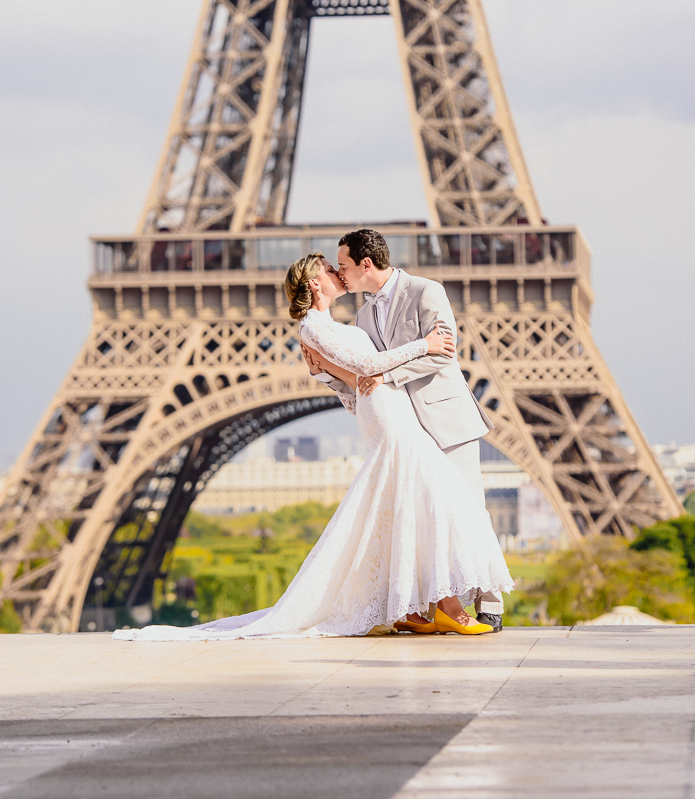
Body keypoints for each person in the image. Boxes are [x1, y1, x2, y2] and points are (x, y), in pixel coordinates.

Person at [113, 252, 512, 642]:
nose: (338, 271)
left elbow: (361, 378)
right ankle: (443, 606)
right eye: (329, 268)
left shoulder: (343, 321)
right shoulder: (312, 328)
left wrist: (340, 373)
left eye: (342, 265)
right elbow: (367, 373)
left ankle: (409, 608)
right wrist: (424, 345)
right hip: (387, 414)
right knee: (421, 496)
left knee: (411, 502)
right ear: (313, 282)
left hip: (390, 405)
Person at [303, 229, 507, 631]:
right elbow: (360, 379)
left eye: (343, 266)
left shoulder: (426, 290)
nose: (340, 274)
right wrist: (327, 373)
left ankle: (489, 605)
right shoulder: (360, 316)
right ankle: (427, 602)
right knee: (419, 516)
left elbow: (443, 352)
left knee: (466, 508)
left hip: (444, 419)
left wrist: (384, 374)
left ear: (365, 264)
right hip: (401, 422)